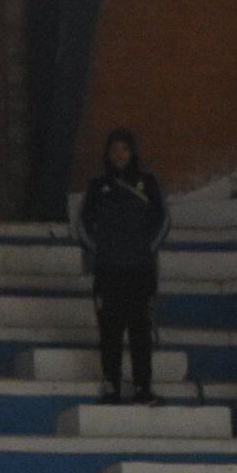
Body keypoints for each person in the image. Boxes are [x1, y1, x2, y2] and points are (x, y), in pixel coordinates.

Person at [74, 131, 168, 407]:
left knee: (140, 329)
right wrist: (101, 251)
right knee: (110, 332)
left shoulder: (148, 183)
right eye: (114, 149)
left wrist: (144, 249)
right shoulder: (98, 186)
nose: (119, 154)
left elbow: (162, 221)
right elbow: (82, 224)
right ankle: (111, 386)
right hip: (108, 272)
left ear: (132, 152)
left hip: (140, 270)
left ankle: (143, 387)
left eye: (124, 149)